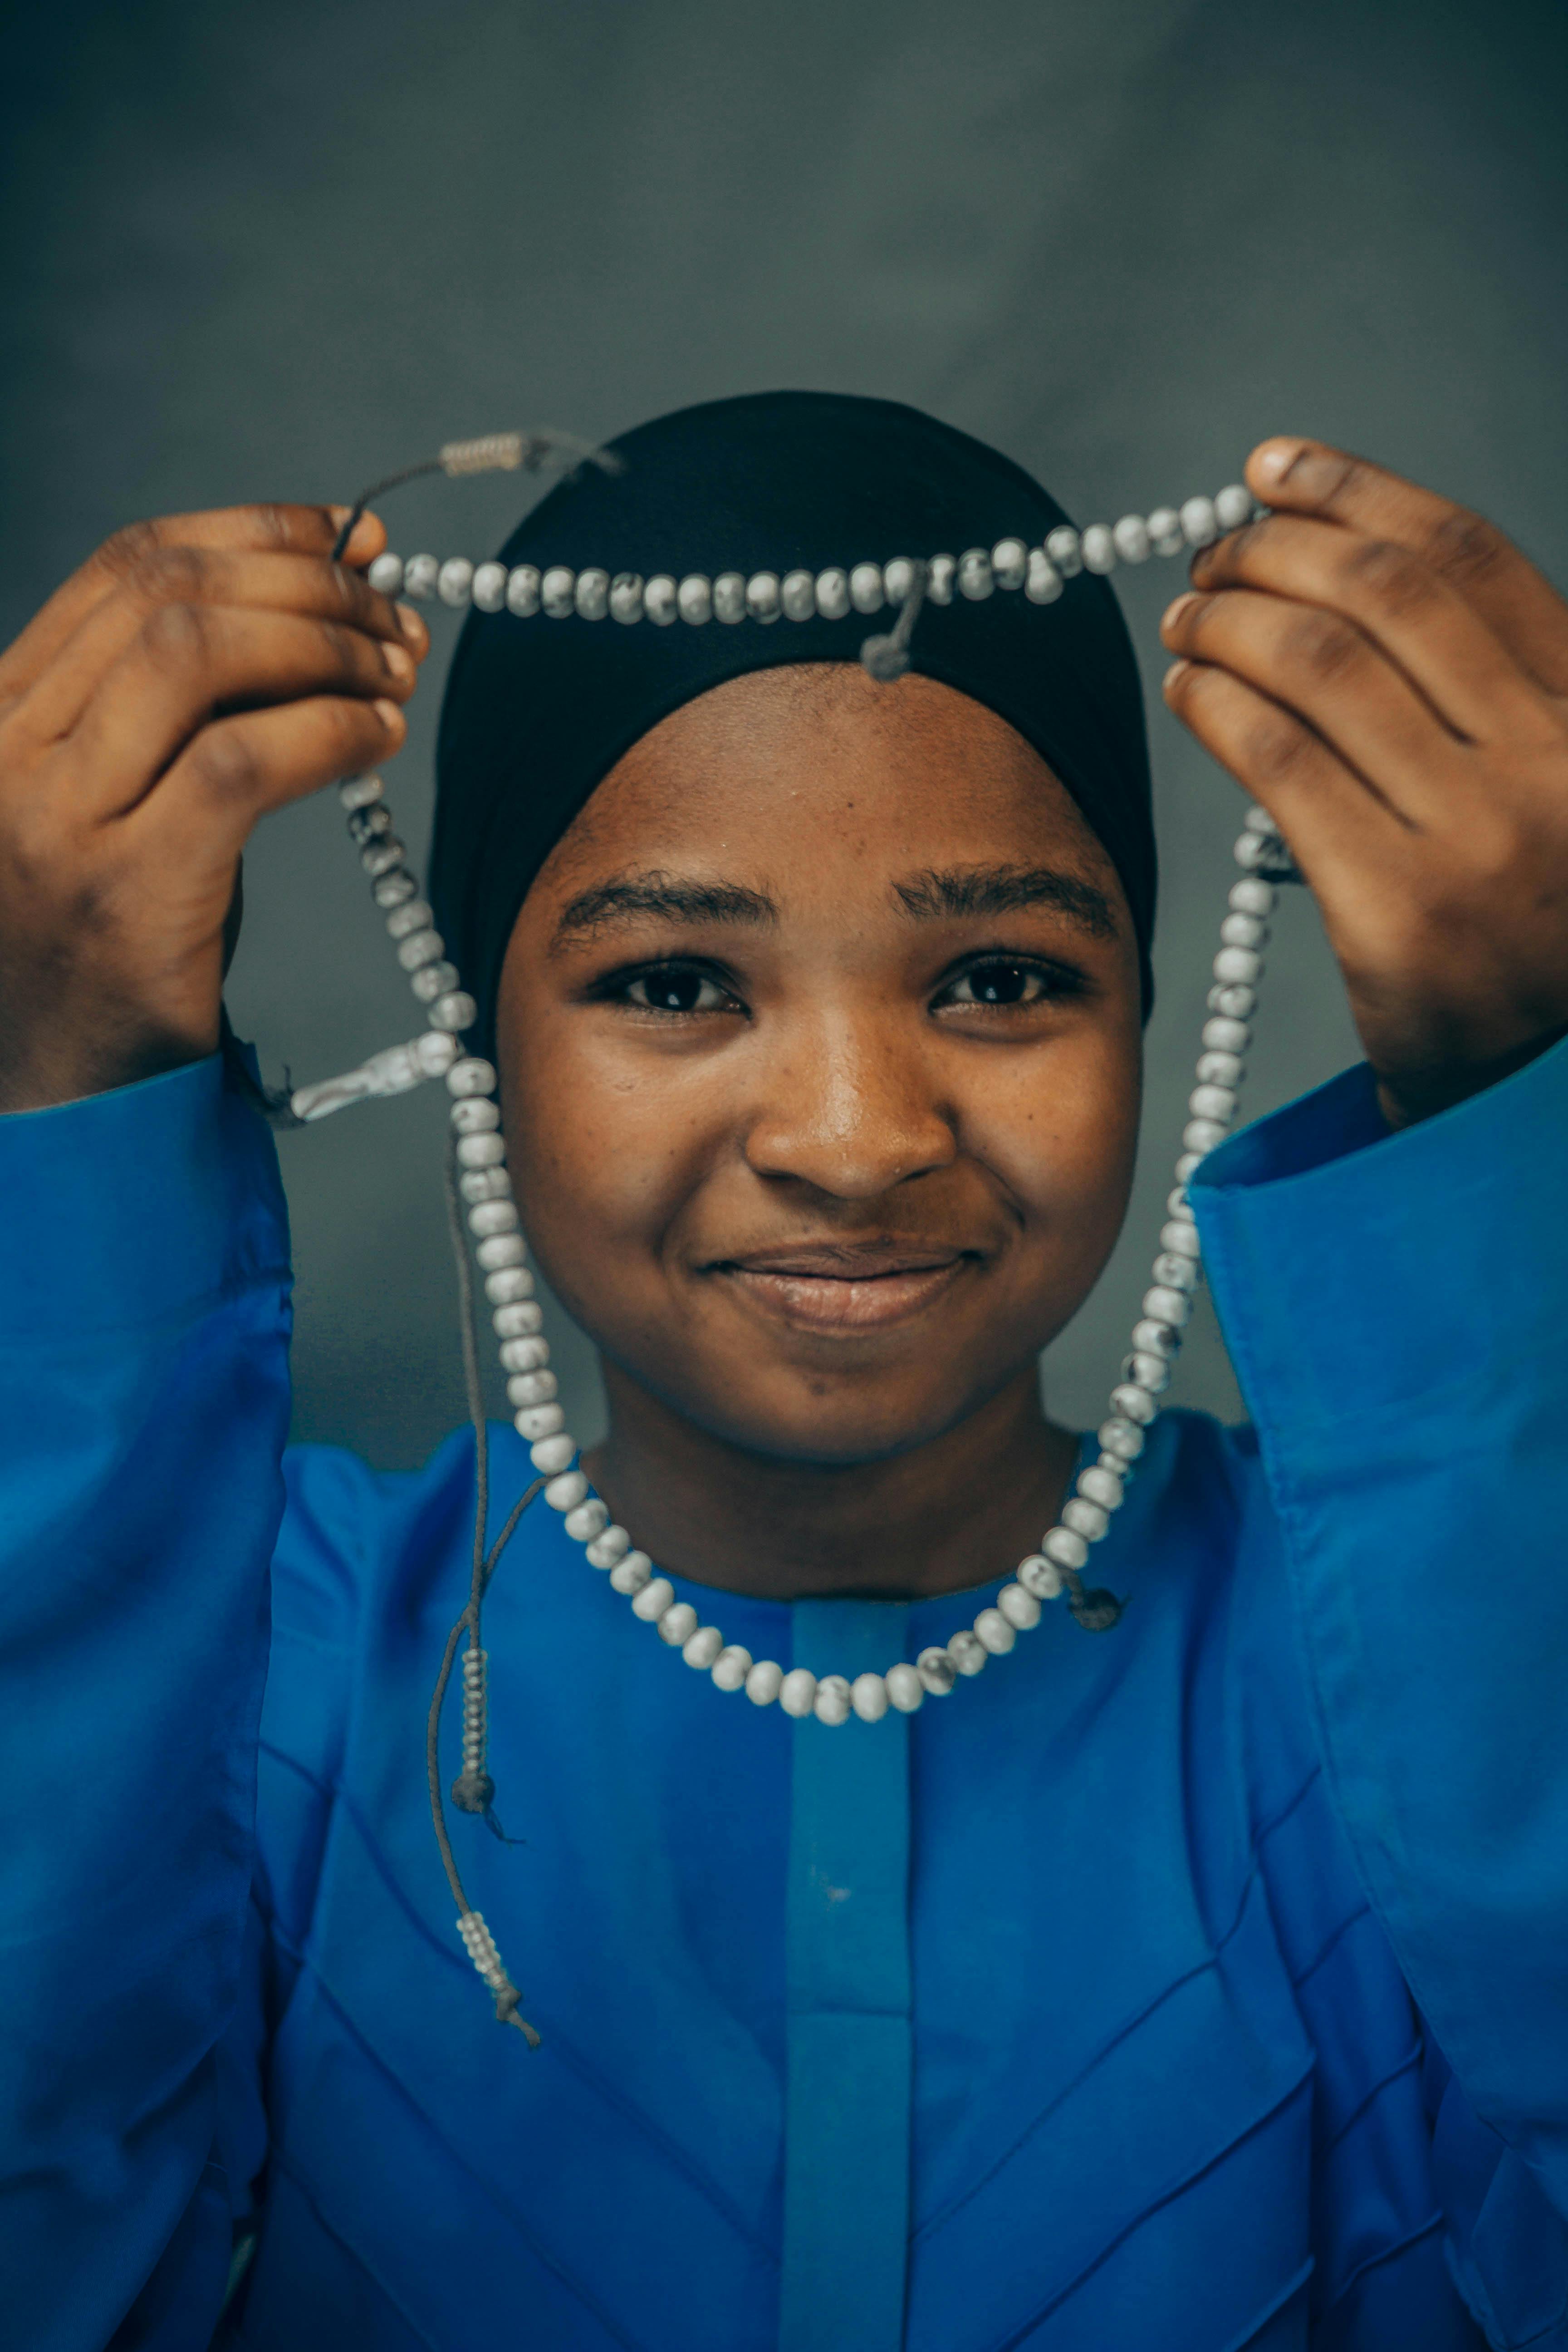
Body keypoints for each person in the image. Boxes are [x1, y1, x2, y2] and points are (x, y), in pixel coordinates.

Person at [1, 392, 1565, 2352]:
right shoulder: (251, 1663)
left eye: (1000, 978)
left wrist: (1515, 1106)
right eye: (675, 985)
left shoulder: (1402, 1653)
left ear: (1146, 1015)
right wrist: (64, 1070)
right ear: (481, 1039)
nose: (850, 1136)